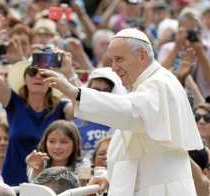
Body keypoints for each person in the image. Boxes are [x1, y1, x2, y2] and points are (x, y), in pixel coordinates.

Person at [41, 28, 203, 196]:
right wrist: (110, 177)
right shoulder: (144, 85)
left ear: (142, 55)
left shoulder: (159, 83)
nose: (114, 68)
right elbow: (129, 145)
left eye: (119, 59)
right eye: (111, 61)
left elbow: (130, 112)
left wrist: (74, 92)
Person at [0, 15, 76, 185]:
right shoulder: (14, 103)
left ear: (52, 79)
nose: (38, 77)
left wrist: (69, 74)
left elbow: (81, 106)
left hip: (51, 186)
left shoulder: (62, 108)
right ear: (25, 79)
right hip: (13, 183)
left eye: (44, 73)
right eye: (33, 72)